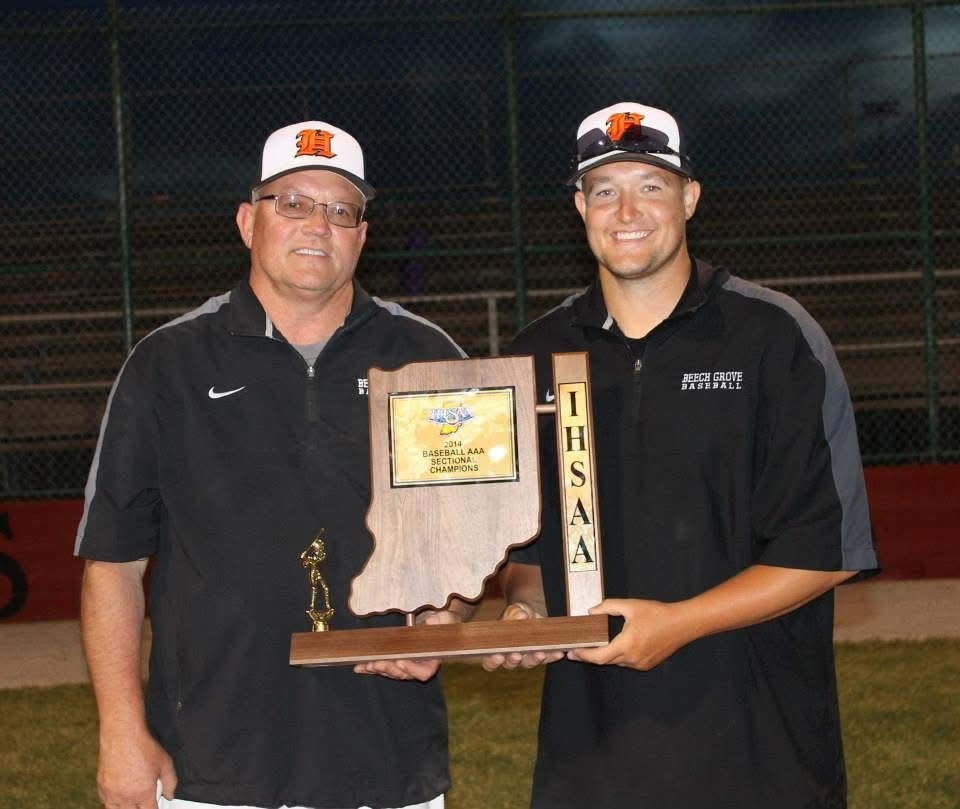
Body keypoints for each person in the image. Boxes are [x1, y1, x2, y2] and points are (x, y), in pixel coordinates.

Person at [485, 102, 879, 808]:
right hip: (591, 764)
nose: (626, 211)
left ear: (689, 198)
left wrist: (679, 623)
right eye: (604, 190)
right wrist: (526, 610)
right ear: (579, 207)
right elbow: (532, 551)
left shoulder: (775, 336)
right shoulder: (535, 353)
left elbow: (827, 549)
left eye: (651, 186)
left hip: (760, 756)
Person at [76, 120, 468, 809]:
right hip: (209, 766)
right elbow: (113, 564)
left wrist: (446, 616)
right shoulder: (167, 364)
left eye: (340, 210)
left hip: (386, 757)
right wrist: (120, 728)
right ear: (247, 221)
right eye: (292, 203)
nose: (318, 225)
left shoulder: (426, 357)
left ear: (362, 237)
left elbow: (468, 537)